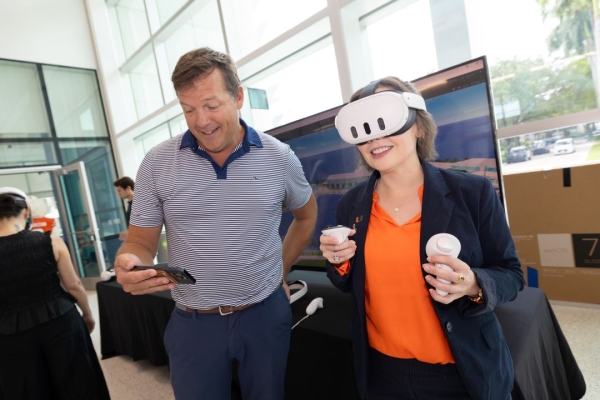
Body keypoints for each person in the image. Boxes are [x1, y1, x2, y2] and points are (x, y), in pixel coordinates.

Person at [114, 47, 317, 400]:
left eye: (211, 105)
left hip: (264, 315)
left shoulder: (279, 157)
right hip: (193, 323)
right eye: (188, 109)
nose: (201, 121)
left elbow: (307, 215)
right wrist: (130, 260)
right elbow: (140, 241)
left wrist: (280, 272)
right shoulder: (157, 163)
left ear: (238, 97)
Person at [320, 77, 525, 400]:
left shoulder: (472, 194)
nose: (376, 138)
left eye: (387, 122)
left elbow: (511, 274)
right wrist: (338, 260)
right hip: (384, 374)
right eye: (364, 131)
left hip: (461, 372)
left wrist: (472, 284)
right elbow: (347, 282)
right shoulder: (352, 205)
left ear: (419, 127)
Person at [0, 187, 110, 399]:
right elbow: (74, 285)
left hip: (9, 333)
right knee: (78, 381)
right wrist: (87, 315)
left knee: (25, 388)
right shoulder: (50, 241)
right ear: (26, 212)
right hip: (60, 320)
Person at [113, 176, 134, 241]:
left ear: (128, 188)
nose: (118, 194)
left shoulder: (139, 203)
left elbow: (145, 225)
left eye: (119, 191)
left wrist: (129, 232)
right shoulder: (131, 204)